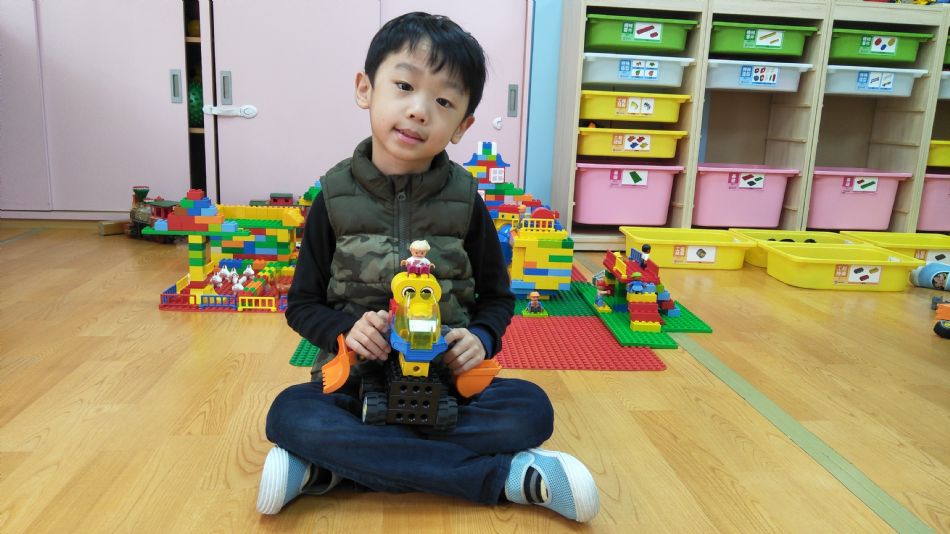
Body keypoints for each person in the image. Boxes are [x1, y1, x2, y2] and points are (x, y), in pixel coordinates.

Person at [256, 12, 600, 523]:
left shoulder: (466, 200)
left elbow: (497, 298)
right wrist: (346, 332)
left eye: (443, 102)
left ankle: (333, 470)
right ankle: (502, 477)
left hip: (449, 385)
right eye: (404, 86)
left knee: (530, 408)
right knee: (290, 414)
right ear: (365, 89)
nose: (419, 110)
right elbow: (302, 304)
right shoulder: (333, 196)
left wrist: (481, 337)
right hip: (358, 385)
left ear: (462, 126)